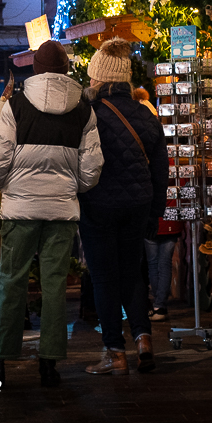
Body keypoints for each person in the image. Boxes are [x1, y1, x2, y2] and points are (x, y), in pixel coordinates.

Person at [0, 40, 102, 388]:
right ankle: (49, 364)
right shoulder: (83, 111)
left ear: (34, 68)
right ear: (66, 69)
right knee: (54, 284)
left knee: (11, 280)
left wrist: (9, 185)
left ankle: (0, 358)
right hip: (62, 210)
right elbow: (92, 169)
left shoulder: (15, 106)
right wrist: (69, 186)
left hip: (20, 210)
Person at [79, 38, 169, 376]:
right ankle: (144, 339)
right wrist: (155, 211)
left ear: (99, 79)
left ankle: (115, 353)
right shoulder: (146, 114)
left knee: (104, 278)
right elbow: (161, 166)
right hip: (138, 204)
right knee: (133, 274)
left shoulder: (91, 115)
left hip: (99, 206)